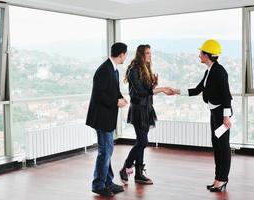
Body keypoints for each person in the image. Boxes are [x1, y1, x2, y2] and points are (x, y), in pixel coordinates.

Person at [175, 39, 233, 192]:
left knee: (223, 147)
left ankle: (223, 179)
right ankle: (217, 178)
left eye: (201, 53)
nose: (199, 55)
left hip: (222, 114)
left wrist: (226, 117)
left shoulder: (220, 71)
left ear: (207, 55)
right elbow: (197, 89)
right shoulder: (209, 71)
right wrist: (175, 91)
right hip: (214, 112)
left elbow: (226, 95)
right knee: (216, 145)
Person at [119, 44, 175, 185]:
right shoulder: (133, 70)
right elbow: (141, 92)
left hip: (147, 108)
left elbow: (147, 90)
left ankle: (138, 174)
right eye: (147, 53)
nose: (150, 55)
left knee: (141, 142)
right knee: (143, 142)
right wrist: (161, 89)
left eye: (150, 53)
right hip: (138, 109)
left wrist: (154, 85)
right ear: (140, 54)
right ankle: (126, 167)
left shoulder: (146, 68)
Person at [86, 42, 128, 197]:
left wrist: (121, 98)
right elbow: (99, 95)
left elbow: (112, 90)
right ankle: (98, 184)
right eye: (126, 54)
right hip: (102, 118)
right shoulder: (104, 70)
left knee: (107, 150)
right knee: (105, 151)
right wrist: (116, 102)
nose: (126, 57)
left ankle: (107, 182)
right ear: (122, 54)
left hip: (107, 116)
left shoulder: (113, 69)